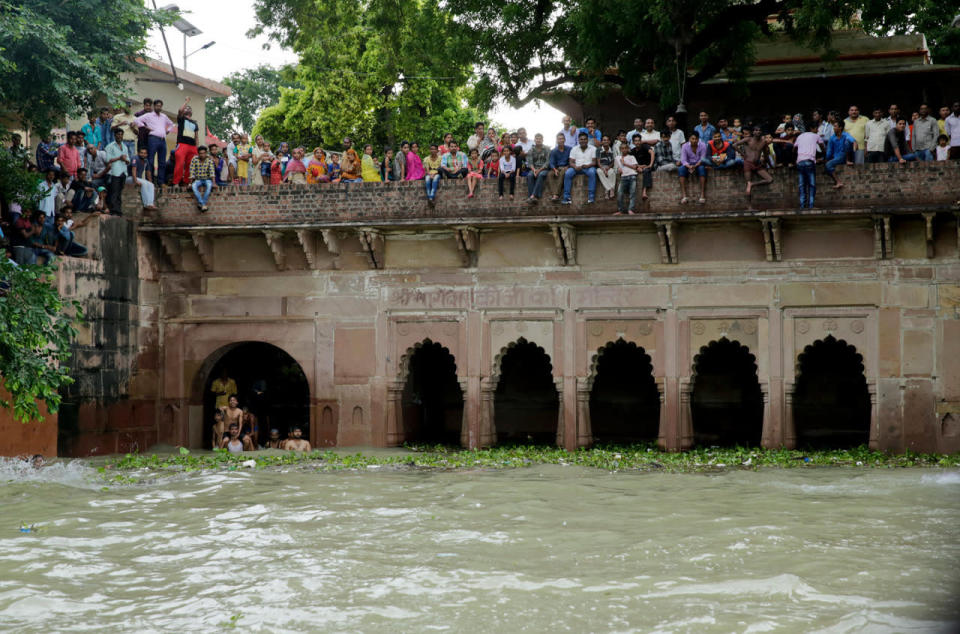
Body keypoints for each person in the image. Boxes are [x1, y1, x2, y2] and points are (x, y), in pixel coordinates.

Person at [133, 99, 175, 186]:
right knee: (151, 161)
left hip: (162, 140)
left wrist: (168, 130)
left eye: (160, 106)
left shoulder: (164, 116)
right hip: (153, 139)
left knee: (162, 162)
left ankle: (161, 182)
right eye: (157, 106)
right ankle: (150, 181)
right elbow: (136, 120)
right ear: (154, 106)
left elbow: (172, 124)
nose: (158, 107)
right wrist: (145, 127)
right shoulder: (149, 115)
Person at [733, 126, 776, 199]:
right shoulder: (748, 139)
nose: (758, 132)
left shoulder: (763, 142)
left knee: (769, 179)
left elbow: (766, 155)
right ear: (753, 132)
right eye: (756, 130)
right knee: (748, 187)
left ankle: (752, 184)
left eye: (759, 130)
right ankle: (749, 206)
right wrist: (743, 154)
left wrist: (771, 166)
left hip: (757, 164)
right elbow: (734, 145)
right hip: (748, 163)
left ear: (761, 132)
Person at [562, 132, 598, 204]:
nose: (583, 141)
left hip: (588, 167)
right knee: (568, 173)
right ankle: (566, 198)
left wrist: (587, 166)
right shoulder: (574, 149)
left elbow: (594, 162)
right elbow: (571, 162)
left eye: (585, 139)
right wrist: (575, 166)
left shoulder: (593, 148)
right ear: (578, 140)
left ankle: (591, 197)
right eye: (581, 139)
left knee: (592, 172)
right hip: (576, 168)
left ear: (587, 140)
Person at [171, 98, 200, 186]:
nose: (188, 109)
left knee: (190, 165)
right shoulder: (181, 119)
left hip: (192, 146)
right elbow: (180, 110)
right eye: (186, 108)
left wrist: (197, 147)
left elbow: (197, 136)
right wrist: (186, 101)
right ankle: (176, 182)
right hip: (182, 144)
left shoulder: (195, 123)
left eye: (190, 109)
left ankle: (187, 182)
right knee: (179, 164)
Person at [794, 128, 824, 208]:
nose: (818, 130)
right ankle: (811, 205)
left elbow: (794, 148)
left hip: (800, 161)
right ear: (813, 128)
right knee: (812, 184)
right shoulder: (816, 135)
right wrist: (824, 155)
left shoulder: (800, 136)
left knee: (801, 185)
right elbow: (822, 145)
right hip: (809, 161)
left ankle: (802, 205)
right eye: (816, 129)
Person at [102, 127, 128, 215]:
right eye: (118, 134)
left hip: (123, 171)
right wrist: (119, 158)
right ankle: (113, 210)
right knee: (114, 192)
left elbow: (128, 159)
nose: (120, 136)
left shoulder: (124, 146)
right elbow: (108, 160)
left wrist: (126, 160)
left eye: (121, 134)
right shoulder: (110, 146)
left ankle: (118, 210)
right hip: (114, 172)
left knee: (119, 192)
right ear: (114, 135)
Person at [824, 120, 856, 189]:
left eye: (835, 126)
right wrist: (825, 159)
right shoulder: (832, 138)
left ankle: (848, 160)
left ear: (840, 128)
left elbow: (853, 141)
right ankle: (838, 182)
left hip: (846, 155)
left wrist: (854, 149)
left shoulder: (845, 134)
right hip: (838, 158)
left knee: (848, 142)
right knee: (828, 164)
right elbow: (829, 152)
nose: (834, 128)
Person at [678, 132, 708, 204]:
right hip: (688, 164)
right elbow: (683, 160)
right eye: (692, 139)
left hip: (699, 164)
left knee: (702, 169)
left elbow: (703, 158)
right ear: (689, 139)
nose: (694, 140)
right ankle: (684, 196)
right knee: (681, 169)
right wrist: (689, 166)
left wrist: (695, 166)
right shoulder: (685, 146)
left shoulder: (703, 145)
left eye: (696, 139)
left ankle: (702, 195)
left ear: (698, 139)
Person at [188, 145, 216, 211]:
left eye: (204, 153)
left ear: (206, 153)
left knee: (209, 187)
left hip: (207, 179)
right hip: (198, 179)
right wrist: (190, 183)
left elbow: (212, 172)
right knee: (194, 187)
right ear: (198, 153)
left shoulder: (209, 159)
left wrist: (214, 183)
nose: (202, 155)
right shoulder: (194, 159)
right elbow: (192, 171)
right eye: (200, 153)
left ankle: (201, 204)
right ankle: (203, 204)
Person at [525, 134, 550, 202]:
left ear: (542, 140)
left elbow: (547, 162)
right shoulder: (531, 150)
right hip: (534, 168)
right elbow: (530, 162)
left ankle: (532, 195)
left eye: (540, 139)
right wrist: (534, 170)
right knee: (530, 175)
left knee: (541, 175)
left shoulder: (547, 149)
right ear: (534, 140)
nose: (538, 140)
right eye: (537, 139)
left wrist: (539, 170)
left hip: (544, 169)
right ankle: (533, 197)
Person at [615, 143, 638, 215]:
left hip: (632, 176)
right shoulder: (617, 158)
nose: (624, 150)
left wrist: (624, 163)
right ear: (620, 149)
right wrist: (618, 169)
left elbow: (635, 167)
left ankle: (630, 210)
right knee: (619, 193)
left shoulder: (631, 157)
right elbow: (616, 168)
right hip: (623, 177)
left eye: (625, 148)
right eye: (622, 148)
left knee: (632, 194)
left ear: (628, 149)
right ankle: (621, 210)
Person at [631, 135, 655, 203]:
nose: (637, 142)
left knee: (646, 171)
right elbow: (631, 162)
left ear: (641, 141)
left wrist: (650, 164)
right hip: (639, 167)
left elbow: (652, 153)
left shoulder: (645, 146)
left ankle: (644, 192)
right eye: (635, 141)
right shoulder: (632, 151)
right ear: (633, 142)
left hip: (648, 166)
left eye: (639, 140)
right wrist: (638, 167)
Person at [547, 133, 571, 202]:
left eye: (562, 138)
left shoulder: (569, 149)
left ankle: (556, 195)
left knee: (562, 172)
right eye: (559, 139)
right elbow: (551, 163)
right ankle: (554, 194)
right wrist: (555, 170)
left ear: (564, 140)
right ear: (557, 141)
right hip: (557, 167)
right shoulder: (554, 151)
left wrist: (567, 166)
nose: (560, 140)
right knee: (549, 174)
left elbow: (572, 160)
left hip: (566, 167)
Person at [596, 135, 617, 200]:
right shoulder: (599, 149)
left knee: (612, 172)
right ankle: (611, 189)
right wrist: (603, 169)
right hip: (601, 167)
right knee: (598, 171)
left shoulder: (612, 150)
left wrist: (608, 167)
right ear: (602, 141)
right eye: (604, 140)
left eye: (607, 140)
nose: (606, 141)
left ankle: (607, 191)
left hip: (609, 166)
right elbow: (598, 162)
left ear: (609, 142)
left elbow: (613, 162)